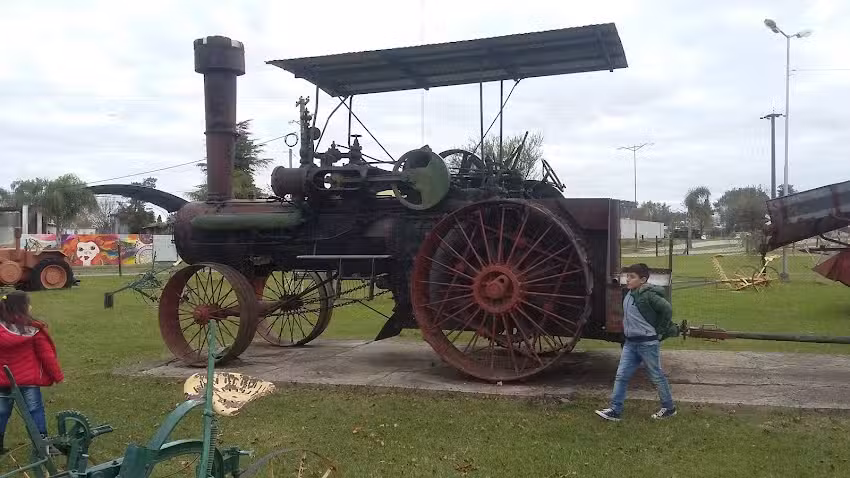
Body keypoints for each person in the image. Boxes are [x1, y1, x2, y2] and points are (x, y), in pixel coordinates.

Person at [595, 263, 678, 421]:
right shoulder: (629, 293)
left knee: (656, 376)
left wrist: (659, 330)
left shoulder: (648, 295)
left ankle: (669, 408)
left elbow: (667, 309)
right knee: (621, 376)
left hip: (647, 344)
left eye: (632, 277)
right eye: (627, 276)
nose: (628, 279)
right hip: (631, 344)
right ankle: (615, 410)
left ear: (643, 279)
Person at [0, 291, 64, 454]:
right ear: (23, 307)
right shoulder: (33, 329)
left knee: (1, 411)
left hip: (2, 380)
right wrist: (57, 375)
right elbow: (46, 355)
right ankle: (42, 444)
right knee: (34, 410)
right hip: (27, 381)